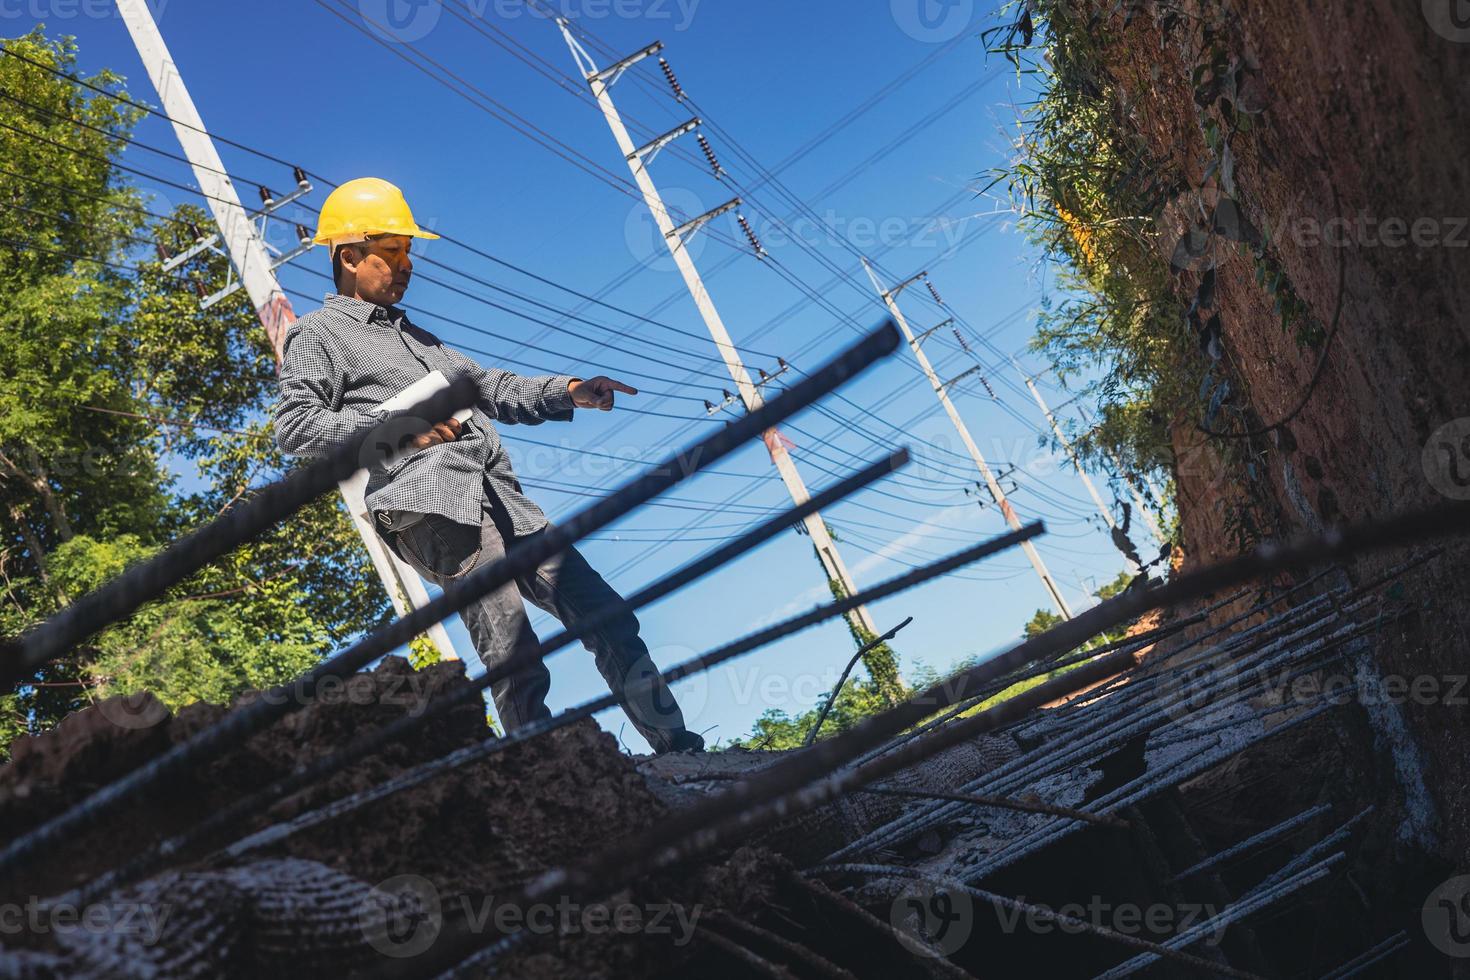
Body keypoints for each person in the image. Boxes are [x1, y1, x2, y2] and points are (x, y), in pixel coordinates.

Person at [273, 177, 703, 754]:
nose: (406, 266)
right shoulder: (315, 335)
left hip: (504, 502)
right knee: (513, 652)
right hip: (433, 509)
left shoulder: (421, 339)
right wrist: (399, 429)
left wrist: (571, 390)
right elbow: (298, 428)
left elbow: (492, 386)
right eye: (393, 252)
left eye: (408, 253)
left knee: (605, 615)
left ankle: (677, 748)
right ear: (349, 256)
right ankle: (543, 775)